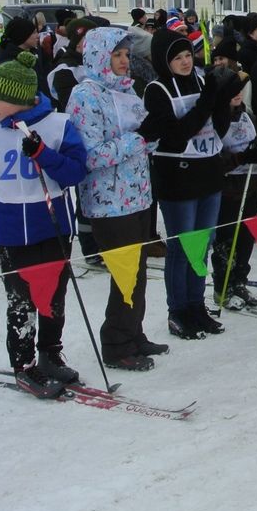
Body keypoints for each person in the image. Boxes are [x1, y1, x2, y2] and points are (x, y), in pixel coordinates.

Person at [0, 51, 88, 398]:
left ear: (16, 98)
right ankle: (24, 365)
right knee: (20, 301)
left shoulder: (57, 124)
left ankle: (50, 354)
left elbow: (75, 172)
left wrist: (42, 153)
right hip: (12, 228)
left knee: (53, 296)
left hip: (52, 223)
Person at [67, 28, 167, 372]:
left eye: (127, 55)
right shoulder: (85, 96)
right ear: (99, 57)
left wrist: (154, 133)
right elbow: (90, 155)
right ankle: (115, 343)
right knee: (124, 273)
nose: (125, 62)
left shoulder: (127, 92)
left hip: (138, 195)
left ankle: (133, 331)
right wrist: (138, 139)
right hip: (108, 200)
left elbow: (144, 140)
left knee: (137, 272)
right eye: (117, 56)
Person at [140, 27, 242, 340]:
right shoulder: (157, 90)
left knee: (202, 245)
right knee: (182, 247)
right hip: (177, 176)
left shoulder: (201, 80)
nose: (186, 62)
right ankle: (178, 309)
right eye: (178, 58)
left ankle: (197, 305)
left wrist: (225, 100)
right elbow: (176, 133)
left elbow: (219, 127)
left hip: (208, 171)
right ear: (164, 61)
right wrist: (208, 101)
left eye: (188, 55)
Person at [209, 67, 257, 309]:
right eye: (231, 91)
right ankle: (223, 287)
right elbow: (212, 159)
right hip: (227, 189)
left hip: (250, 185)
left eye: (239, 90)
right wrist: (239, 159)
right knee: (226, 240)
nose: (237, 95)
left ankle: (240, 281)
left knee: (246, 238)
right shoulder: (214, 120)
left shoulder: (247, 116)